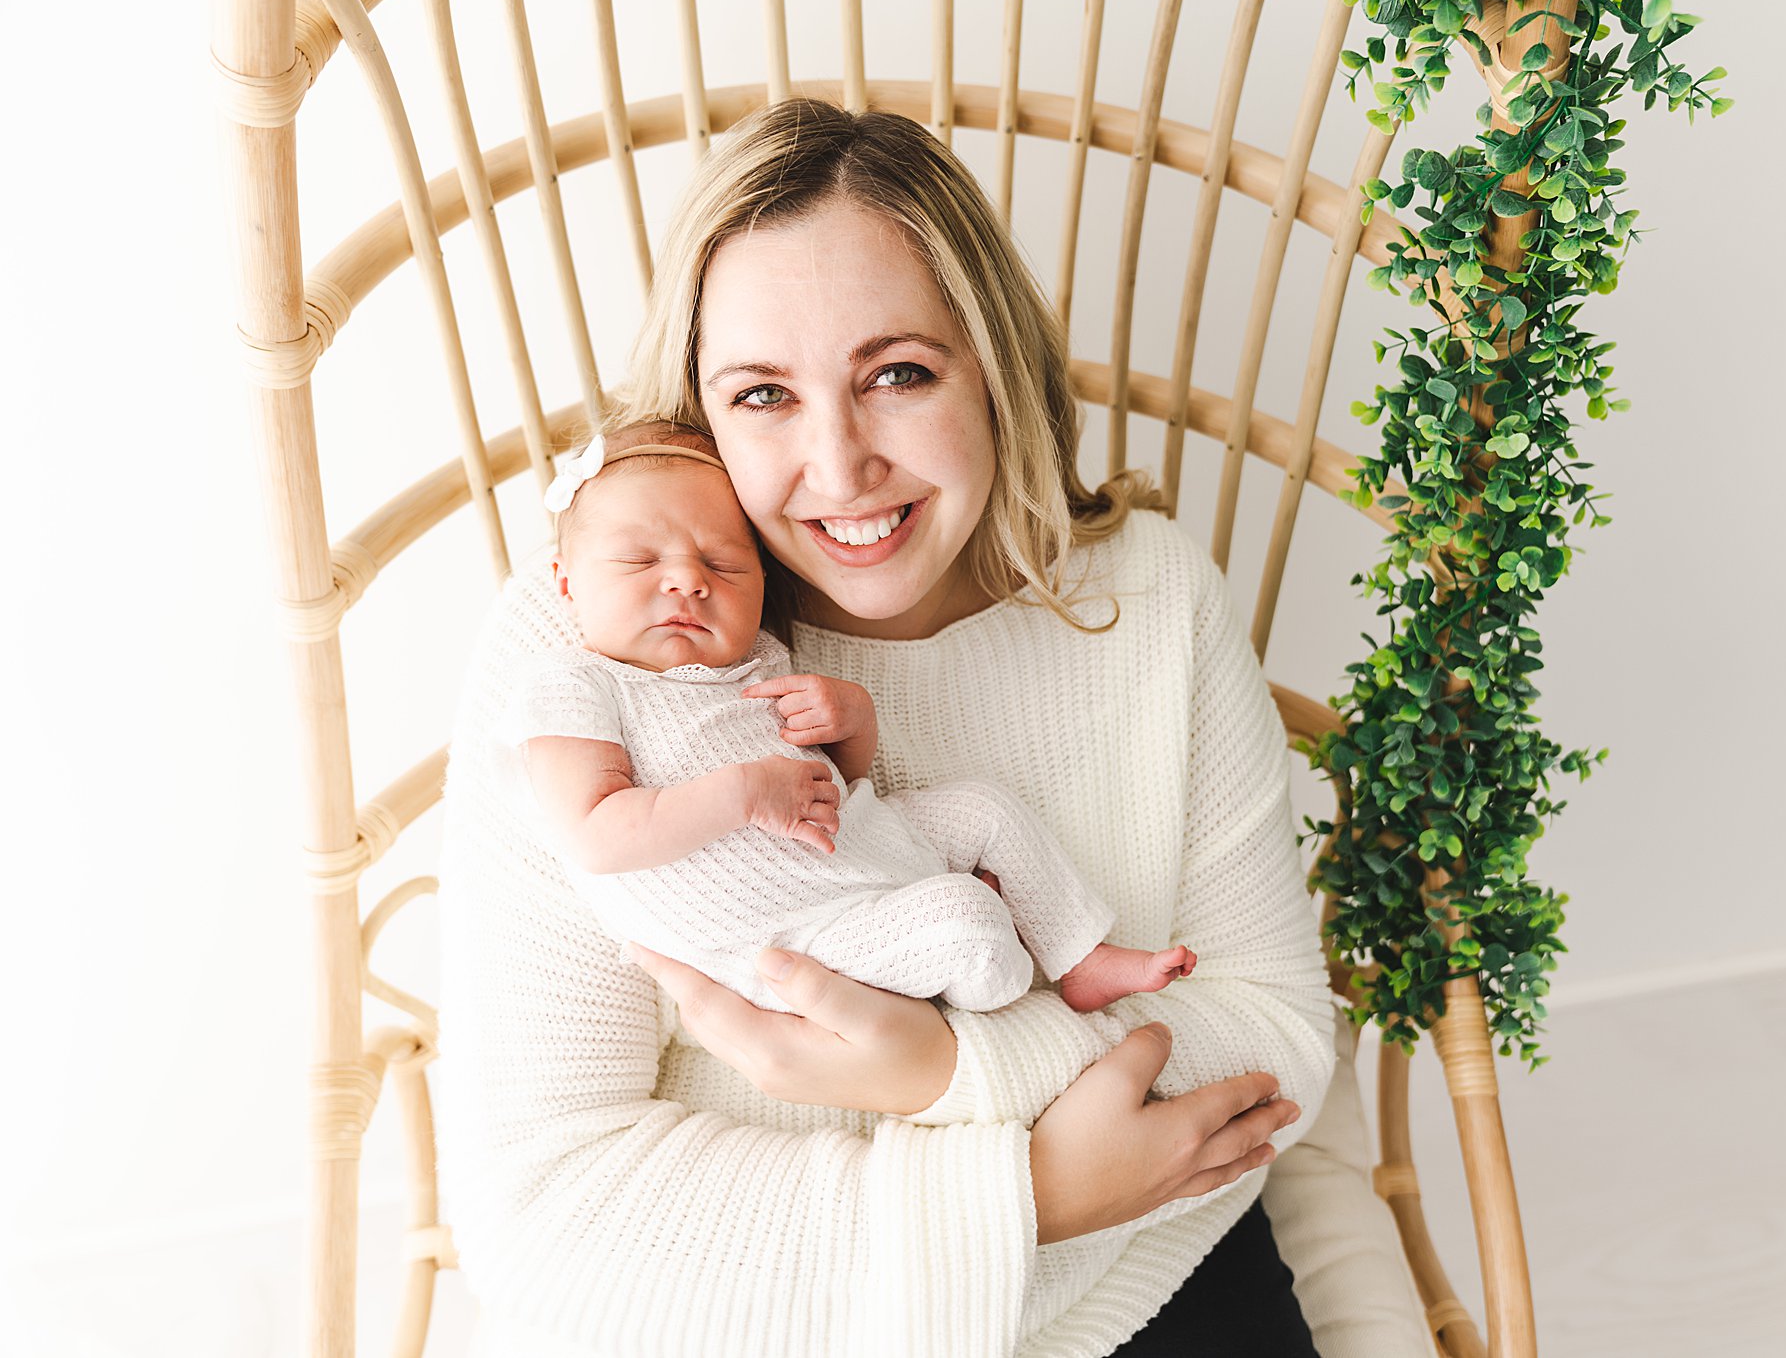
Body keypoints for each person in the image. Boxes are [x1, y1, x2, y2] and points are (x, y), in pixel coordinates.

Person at [439, 98, 1430, 1358]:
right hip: (762, 1321)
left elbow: (1276, 1025)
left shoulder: (1151, 596)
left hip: (1145, 1265)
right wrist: (1034, 1195)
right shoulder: (589, 647)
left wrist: (947, 1074)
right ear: (696, 408)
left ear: (993, 363)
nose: (839, 466)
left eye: (895, 374)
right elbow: (543, 1214)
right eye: (760, 396)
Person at [501, 421, 1198, 1015]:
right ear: (567, 580)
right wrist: (746, 793)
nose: (687, 580)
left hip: (864, 840)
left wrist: (853, 724)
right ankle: (993, 970)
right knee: (969, 922)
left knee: (986, 812)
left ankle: (1081, 958)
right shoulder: (575, 682)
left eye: (723, 562)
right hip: (792, 935)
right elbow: (595, 835)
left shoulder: (759, 659)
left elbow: (831, 784)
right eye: (639, 560)